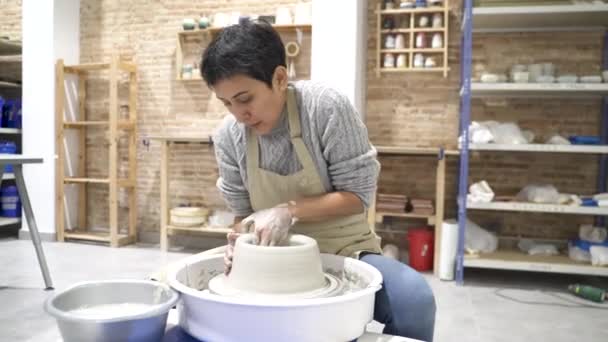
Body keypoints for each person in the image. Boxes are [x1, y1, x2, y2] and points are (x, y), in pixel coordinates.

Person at [201, 20, 436, 342]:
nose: (238, 113)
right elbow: (243, 215)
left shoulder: (324, 108)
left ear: (279, 78)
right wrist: (238, 241)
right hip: (271, 253)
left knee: (414, 298)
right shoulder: (229, 136)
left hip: (344, 249)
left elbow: (357, 195)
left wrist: (289, 210)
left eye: (245, 99)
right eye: (226, 103)